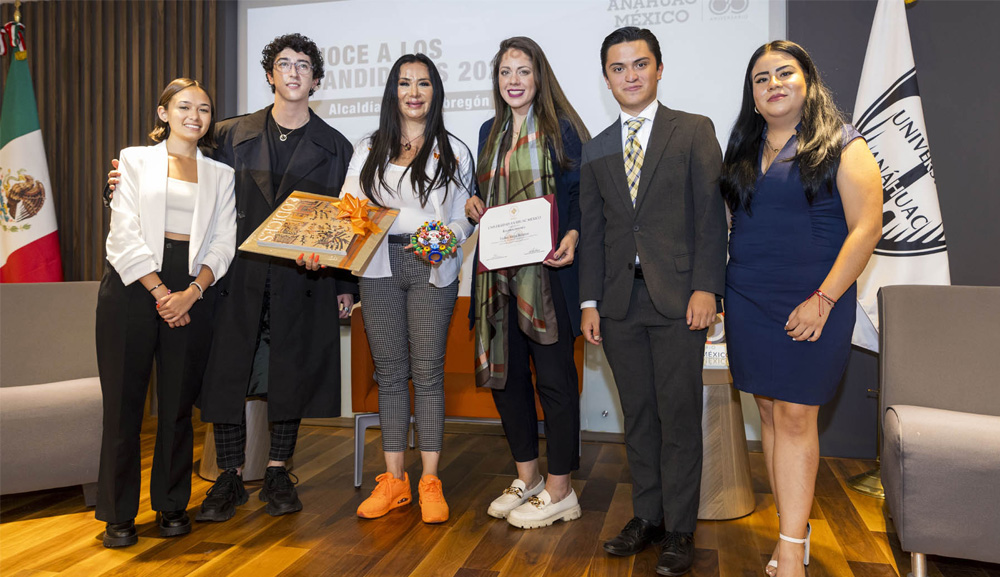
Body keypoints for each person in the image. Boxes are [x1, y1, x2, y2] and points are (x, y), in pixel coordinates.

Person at [108, 33, 356, 521]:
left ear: (316, 80)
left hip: (303, 279)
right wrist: (114, 184)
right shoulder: (225, 134)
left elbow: (346, 220)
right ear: (269, 75)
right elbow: (172, 180)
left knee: (290, 370)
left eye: (303, 65)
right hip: (230, 274)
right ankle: (229, 476)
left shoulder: (337, 146)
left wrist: (345, 282)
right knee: (228, 372)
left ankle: (280, 471)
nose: (292, 72)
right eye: (283, 63)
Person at [720, 41, 881, 577]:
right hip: (747, 297)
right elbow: (732, 222)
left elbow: (866, 230)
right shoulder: (742, 146)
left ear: (807, 79)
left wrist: (824, 299)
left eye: (784, 73)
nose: (773, 85)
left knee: (794, 414)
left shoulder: (843, 143)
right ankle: (795, 528)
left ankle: (790, 547)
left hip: (814, 300)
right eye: (761, 78)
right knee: (767, 411)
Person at [577, 27, 728, 576]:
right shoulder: (595, 148)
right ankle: (649, 518)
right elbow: (592, 233)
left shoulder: (692, 131)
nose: (630, 76)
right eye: (619, 68)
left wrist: (707, 288)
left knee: (679, 416)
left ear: (659, 69)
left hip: (679, 300)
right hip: (618, 305)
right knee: (637, 416)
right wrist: (589, 302)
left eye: (640, 64)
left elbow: (711, 217)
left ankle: (682, 529)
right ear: (607, 78)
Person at [96, 78, 236, 548]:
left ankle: (172, 505)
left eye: (204, 108)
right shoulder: (135, 160)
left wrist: (191, 293)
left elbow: (223, 243)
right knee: (123, 408)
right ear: (163, 113)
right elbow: (122, 235)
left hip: (193, 286)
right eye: (184, 106)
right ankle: (118, 514)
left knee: (177, 408)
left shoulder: (221, 174)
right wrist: (161, 293)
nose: (195, 115)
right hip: (134, 282)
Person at [334, 54, 473, 524]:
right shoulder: (368, 147)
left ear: (435, 92)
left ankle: (430, 481)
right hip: (377, 264)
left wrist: (445, 237)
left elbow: (460, 218)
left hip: (432, 265)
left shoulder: (454, 150)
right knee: (391, 374)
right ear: (393, 91)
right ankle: (394, 481)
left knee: (428, 373)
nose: (414, 92)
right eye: (405, 83)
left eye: (424, 84)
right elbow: (349, 205)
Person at [464, 36, 590, 530]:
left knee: (555, 383)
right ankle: (528, 478)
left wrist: (574, 235)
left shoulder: (562, 130)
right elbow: (483, 195)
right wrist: (474, 205)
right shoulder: (486, 131)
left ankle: (561, 489)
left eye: (523, 71)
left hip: (548, 280)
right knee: (507, 380)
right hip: (496, 282)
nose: (513, 81)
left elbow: (578, 198)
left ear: (539, 77)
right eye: (505, 73)